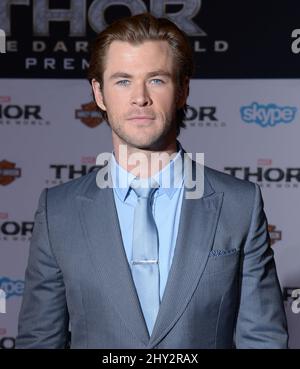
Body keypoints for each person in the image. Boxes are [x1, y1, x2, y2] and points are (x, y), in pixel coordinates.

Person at [16, 13, 288, 349]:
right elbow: (39, 341)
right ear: (99, 94)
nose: (140, 97)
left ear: (183, 90)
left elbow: (263, 339)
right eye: (123, 80)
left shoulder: (239, 203)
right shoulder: (57, 211)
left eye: (156, 80)